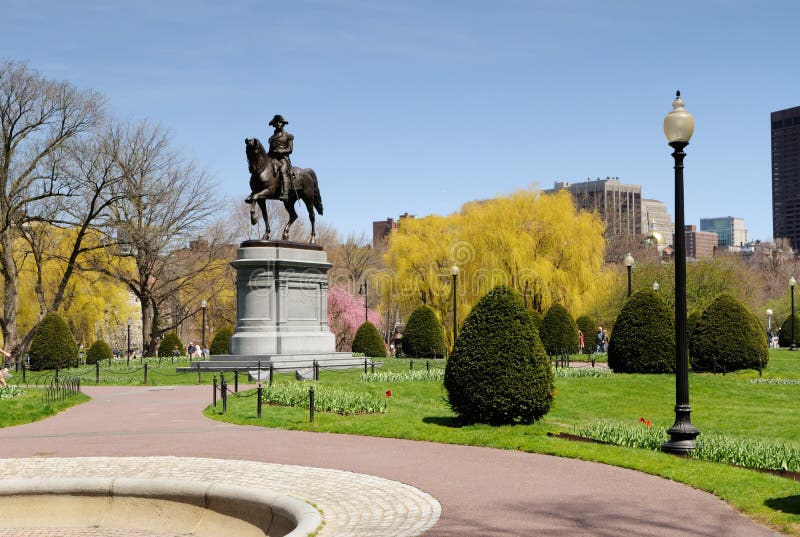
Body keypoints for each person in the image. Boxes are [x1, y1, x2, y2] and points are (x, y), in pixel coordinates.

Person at [267, 114, 294, 201]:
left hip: (283, 159)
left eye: (279, 122)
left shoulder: (288, 136)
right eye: (276, 122)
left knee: (282, 170)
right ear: (274, 125)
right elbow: (270, 151)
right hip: (272, 159)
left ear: (283, 124)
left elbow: (290, 149)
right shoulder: (271, 138)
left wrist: (280, 151)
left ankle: (285, 193)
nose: (278, 124)